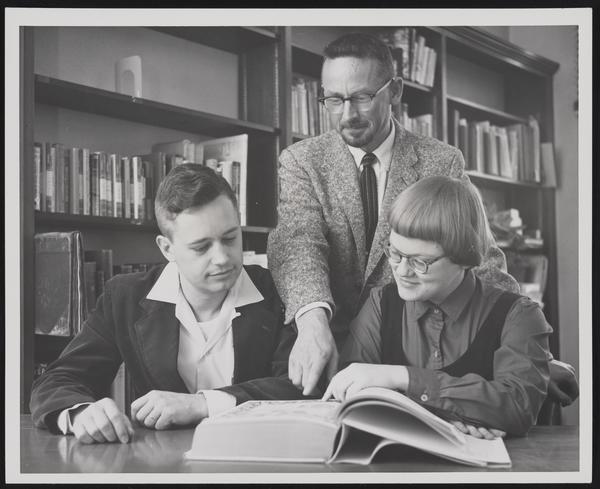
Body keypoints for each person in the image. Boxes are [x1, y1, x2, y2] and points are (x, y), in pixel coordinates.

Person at [267, 32, 578, 409]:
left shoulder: (440, 160)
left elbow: (477, 253)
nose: (347, 114)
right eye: (334, 99)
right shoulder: (300, 160)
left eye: (362, 97)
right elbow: (298, 243)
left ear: (395, 91)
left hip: (407, 351)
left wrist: (523, 343)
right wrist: (312, 320)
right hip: (319, 342)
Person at [30, 164, 303, 444]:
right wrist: (81, 413)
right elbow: (58, 380)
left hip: (259, 454)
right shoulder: (124, 297)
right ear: (167, 248)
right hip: (160, 461)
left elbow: (300, 387)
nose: (222, 258)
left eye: (230, 238)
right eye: (201, 247)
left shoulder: (280, 290)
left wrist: (203, 404)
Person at [323, 176, 552, 438]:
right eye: (395, 253)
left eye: (420, 262)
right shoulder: (379, 304)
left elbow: (518, 406)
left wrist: (401, 378)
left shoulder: (520, 315)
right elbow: (352, 395)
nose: (402, 271)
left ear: (465, 258)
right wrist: (454, 415)